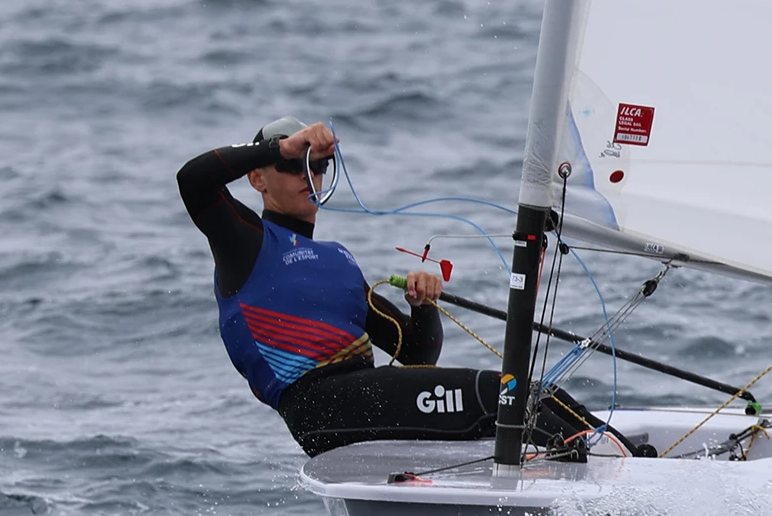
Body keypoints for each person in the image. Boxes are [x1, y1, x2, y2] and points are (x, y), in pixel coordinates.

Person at [178, 116, 606, 457]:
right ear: (257, 180)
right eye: (292, 165)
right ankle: (599, 471)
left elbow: (416, 354)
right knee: (502, 394)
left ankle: (614, 452)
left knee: (531, 392)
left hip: (368, 396)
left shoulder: (337, 259)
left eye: (316, 164)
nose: (307, 175)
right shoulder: (246, 244)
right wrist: (281, 147)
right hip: (318, 408)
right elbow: (192, 181)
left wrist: (423, 305)